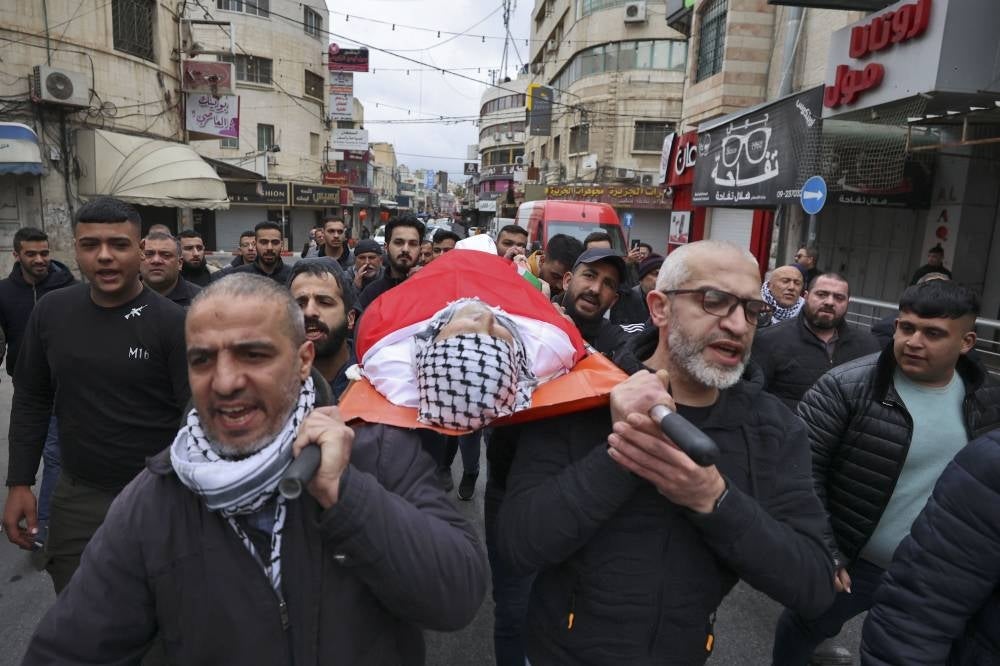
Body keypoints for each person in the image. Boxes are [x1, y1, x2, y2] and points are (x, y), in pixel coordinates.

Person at [21, 274, 488, 664]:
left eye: (253, 355)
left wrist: (345, 493)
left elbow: (456, 595)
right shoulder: (157, 498)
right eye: (202, 360)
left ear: (304, 360)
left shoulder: (378, 451)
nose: (224, 382)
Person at [498, 240, 835, 664]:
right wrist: (621, 451)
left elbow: (815, 585)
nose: (737, 325)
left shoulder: (772, 429)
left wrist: (715, 500)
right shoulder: (584, 396)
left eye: (751, 310)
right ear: (659, 308)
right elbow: (519, 544)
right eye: (714, 301)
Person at [770, 279, 1000, 665]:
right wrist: (827, 550)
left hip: (939, 575)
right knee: (801, 628)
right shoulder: (844, 388)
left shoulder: (988, 398)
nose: (913, 341)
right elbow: (799, 473)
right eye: (906, 327)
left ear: (967, 343)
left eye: (933, 333)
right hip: (854, 564)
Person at [3, 197, 189, 594]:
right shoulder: (51, 312)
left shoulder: (174, 324)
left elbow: (195, 417)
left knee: (162, 618)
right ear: (76, 248)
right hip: (78, 497)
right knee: (80, 616)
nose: (104, 256)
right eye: (90, 245)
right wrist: (20, 481)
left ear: (139, 250)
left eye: (118, 245)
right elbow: (32, 399)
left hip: (162, 496)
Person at [860, 428, 1000, 665]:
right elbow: (915, 616)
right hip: (862, 555)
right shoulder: (992, 463)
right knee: (814, 619)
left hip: (910, 553)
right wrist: (832, 551)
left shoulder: (980, 400)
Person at [0, 226, 76, 545]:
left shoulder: (67, 288)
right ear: (17, 255)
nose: (40, 259)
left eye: (45, 253)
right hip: (26, 385)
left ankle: (43, 524)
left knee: (55, 453)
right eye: (31, 254)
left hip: (64, 385)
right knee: (35, 447)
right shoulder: (4, 292)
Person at [752, 273, 880, 410]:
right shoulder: (768, 340)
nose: (830, 302)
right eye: (821, 294)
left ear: (848, 302)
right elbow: (753, 398)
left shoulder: (868, 346)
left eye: (839, 297)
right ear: (806, 297)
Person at [559, 248, 642, 374]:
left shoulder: (615, 340)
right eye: (589, 276)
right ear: (567, 281)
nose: (596, 289)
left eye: (608, 284)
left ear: (613, 301)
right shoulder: (535, 317)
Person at [288, 259, 357, 400]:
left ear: (350, 318)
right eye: (299, 304)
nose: (309, 312)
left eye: (324, 302)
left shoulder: (378, 379)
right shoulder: (273, 383)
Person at [356, 215, 425, 311]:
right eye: (398, 242)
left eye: (413, 244)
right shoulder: (371, 294)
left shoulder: (430, 290)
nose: (405, 249)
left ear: (420, 249)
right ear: (386, 247)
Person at [140, 231, 202, 307]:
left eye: (166, 255)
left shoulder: (201, 300)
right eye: (148, 254)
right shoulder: (124, 297)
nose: (156, 260)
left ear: (180, 263)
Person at [229, 221, 293, 284]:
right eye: (264, 242)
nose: (269, 248)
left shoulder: (292, 276)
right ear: (255, 244)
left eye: (275, 242)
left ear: (281, 245)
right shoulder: (238, 276)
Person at [611, 253, 663, 328]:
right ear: (642, 278)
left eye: (663, 274)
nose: (661, 279)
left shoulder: (669, 301)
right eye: (656, 274)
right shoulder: (624, 300)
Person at [536, 233, 584, 300]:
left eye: (568, 280)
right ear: (542, 261)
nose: (560, 286)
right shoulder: (520, 277)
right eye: (555, 276)